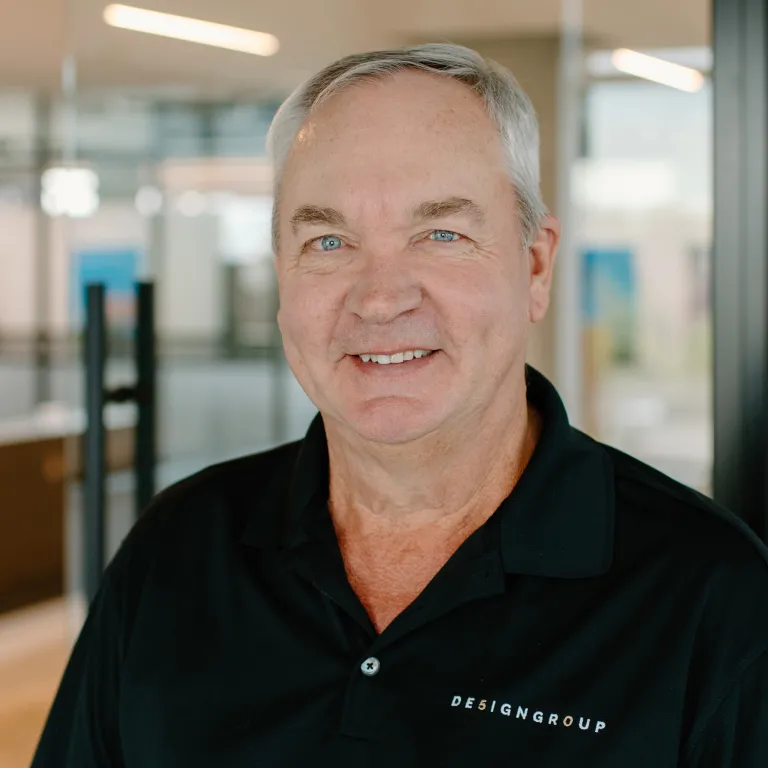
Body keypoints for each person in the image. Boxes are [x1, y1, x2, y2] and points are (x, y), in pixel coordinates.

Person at [32, 44, 768, 768]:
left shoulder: (712, 597)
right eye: (328, 241)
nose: (380, 298)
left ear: (535, 266)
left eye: (441, 234)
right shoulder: (177, 551)